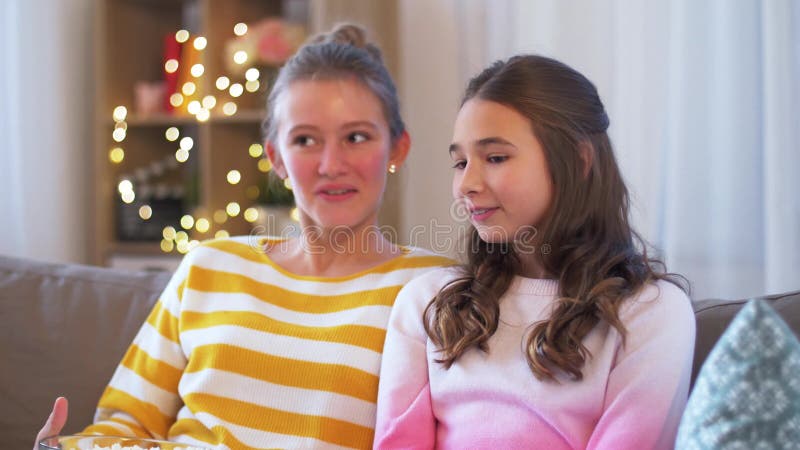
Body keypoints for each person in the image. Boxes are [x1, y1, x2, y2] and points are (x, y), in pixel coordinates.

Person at [34, 24, 453, 450]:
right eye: (305, 139)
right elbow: (120, 426)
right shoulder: (208, 266)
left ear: (397, 148)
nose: (331, 164)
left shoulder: (433, 288)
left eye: (356, 137)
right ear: (277, 158)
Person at [373, 55, 696, 449]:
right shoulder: (428, 302)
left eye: (495, 157)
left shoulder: (650, 313)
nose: (466, 184)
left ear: (578, 162)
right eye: (460, 162)